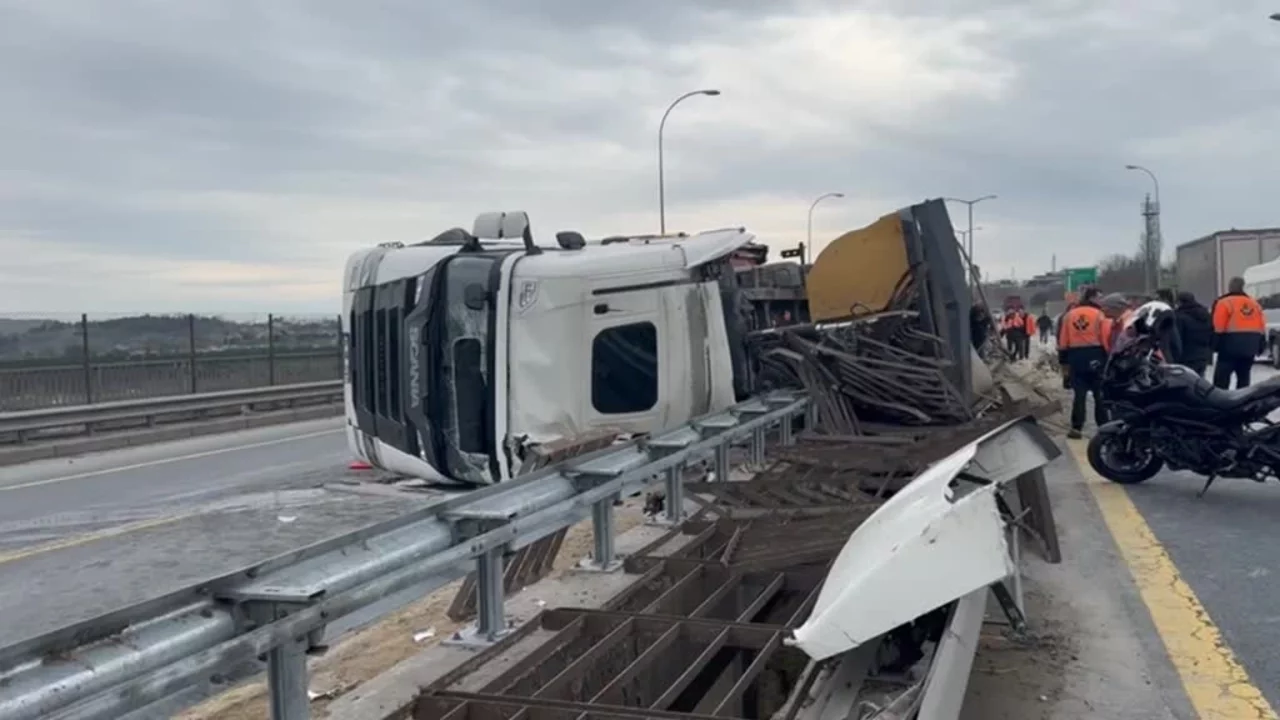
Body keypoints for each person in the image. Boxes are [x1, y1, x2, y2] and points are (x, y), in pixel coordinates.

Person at [1058, 287, 1112, 439]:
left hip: (1075, 356)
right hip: (1096, 355)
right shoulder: (1100, 315)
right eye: (1100, 297)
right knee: (1099, 394)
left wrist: (1064, 364)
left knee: (1079, 395)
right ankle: (1104, 428)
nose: (1102, 300)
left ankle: (1076, 428)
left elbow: (1063, 342)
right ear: (1093, 298)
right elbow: (1105, 338)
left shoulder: (1069, 315)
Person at [1211, 276, 1265, 389]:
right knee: (1244, 378)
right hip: (1251, 346)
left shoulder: (1224, 303)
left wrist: (1214, 345)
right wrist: (1260, 345)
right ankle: (1243, 401)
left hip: (1230, 346)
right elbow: (1262, 325)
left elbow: (1218, 327)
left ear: (1230, 287)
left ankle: (1222, 403)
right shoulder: (1254, 303)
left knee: (1221, 380)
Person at [1174, 291, 1213, 377]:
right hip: (1203, 356)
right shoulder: (1205, 314)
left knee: (1188, 383)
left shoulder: (1179, 317)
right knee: (1200, 383)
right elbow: (1212, 333)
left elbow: (1177, 338)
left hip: (1186, 357)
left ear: (1180, 302)